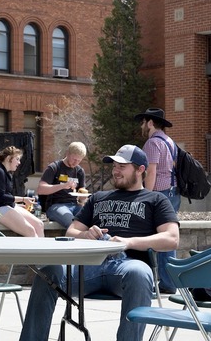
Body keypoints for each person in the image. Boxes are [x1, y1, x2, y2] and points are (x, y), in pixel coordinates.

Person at [19, 145, 179, 341]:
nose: (115, 170)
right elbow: (72, 230)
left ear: (140, 169)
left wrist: (129, 242)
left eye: (122, 166)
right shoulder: (98, 198)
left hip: (126, 265)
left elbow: (172, 239)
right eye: (114, 166)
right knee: (49, 271)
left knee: (140, 273)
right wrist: (86, 234)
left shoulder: (156, 200)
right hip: (88, 266)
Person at [135, 107, 181, 294]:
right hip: (173, 192)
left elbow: (151, 171)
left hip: (161, 194)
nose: (142, 125)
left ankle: (168, 283)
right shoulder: (169, 141)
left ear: (151, 123)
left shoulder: (152, 143)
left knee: (164, 239)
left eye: (143, 122)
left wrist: (146, 195)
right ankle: (168, 282)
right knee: (168, 236)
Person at [0, 146, 44, 237]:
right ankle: (35, 251)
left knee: (39, 224)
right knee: (30, 231)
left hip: (5, 206)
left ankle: (43, 250)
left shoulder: (7, 173)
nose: (19, 162)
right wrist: (23, 199)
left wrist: (16, 205)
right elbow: (1, 197)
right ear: (8, 158)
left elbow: (6, 197)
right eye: (17, 159)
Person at [36, 141, 87, 228]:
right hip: (56, 206)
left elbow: (82, 193)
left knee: (91, 220)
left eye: (79, 160)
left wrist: (83, 198)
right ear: (67, 153)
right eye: (74, 159)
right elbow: (40, 189)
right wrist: (63, 186)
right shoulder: (54, 167)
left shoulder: (79, 171)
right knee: (73, 225)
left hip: (75, 205)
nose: (76, 163)